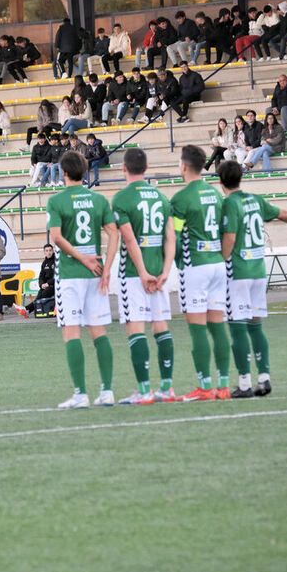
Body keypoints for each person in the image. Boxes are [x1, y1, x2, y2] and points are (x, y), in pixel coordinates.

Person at [218, 160, 287, 397]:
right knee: (255, 325)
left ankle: (244, 384)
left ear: (220, 181)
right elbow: (282, 213)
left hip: (238, 272)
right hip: (258, 271)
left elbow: (230, 237)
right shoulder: (255, 200)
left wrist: (221, 262)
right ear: (240, 178)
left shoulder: (228, 204)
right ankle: (264, 378)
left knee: (237, 327)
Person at [47, 150, 119, 409]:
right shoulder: (98, 200)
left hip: (70, 275)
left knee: (72, 332)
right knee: (99, 332)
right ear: (85, 172)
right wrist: (106, 266)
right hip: (96, 274)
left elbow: (56, 237)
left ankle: (80, 394)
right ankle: (107, 391)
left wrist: (80, 257)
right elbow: (114, 234)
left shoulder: (56, 201)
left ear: (63, 173)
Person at [112, 148, 177, 404]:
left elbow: (129, 240)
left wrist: (143, 274)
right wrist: (164, 272)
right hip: (159, 273)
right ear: (146, 169)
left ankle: (144, 390)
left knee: (135, 328)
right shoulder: (162, 198)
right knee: (161, 327)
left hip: (134, 275)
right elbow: (170, 237)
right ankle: (168, 389)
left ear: (124, 168)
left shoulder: (121, 199)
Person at [170, 145, 230, 401]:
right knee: (218, 326)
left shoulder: (181, 199)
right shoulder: (215, 194)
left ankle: (204, 387)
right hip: (217, 264)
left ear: (184, 166)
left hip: (195, 265)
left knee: (197, 329)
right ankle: (224, 386)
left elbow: (173, 235)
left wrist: (175, 263)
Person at [25, 244, 56, 316]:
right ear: (44, 252)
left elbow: (58, 275)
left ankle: (27, 309)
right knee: (40, 293)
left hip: (55, 285)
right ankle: (28, 309)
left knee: (44, 293)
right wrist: (41, 284)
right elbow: (41, 276)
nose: (49, 252)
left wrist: (48, 283)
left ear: (53, 251)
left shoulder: (57, 261)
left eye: (50, 250)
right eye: (47, 251)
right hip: (46, 285)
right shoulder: (44, 263)